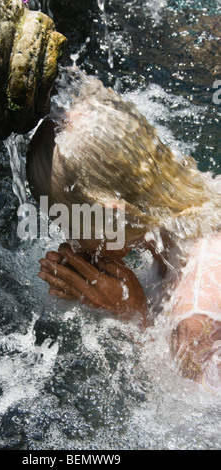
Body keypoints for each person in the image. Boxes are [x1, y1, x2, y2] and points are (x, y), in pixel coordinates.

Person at [26, 69, 221, 392]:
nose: (70, 240)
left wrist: (132, 317)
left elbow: (190, 424)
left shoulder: (195, 317)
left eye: (66, 222)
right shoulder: (195, 203)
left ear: (115, 218)